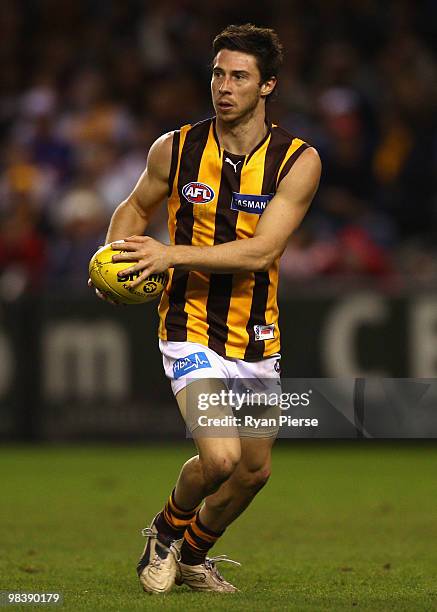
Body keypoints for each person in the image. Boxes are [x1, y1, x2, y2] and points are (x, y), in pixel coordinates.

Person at [90, 23, 321, 594]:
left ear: (267, 86)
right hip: (188, 324)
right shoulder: (175, 148)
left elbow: (263, 250)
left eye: (239, 76)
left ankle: (193, 557)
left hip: (257, 332)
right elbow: (135, 206)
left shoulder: (298, 161)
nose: (224, 86)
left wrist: (169, 252)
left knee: (252, 472)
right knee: (219, 460)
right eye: (218, 73)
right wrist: (113, 262)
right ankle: (164, 535)